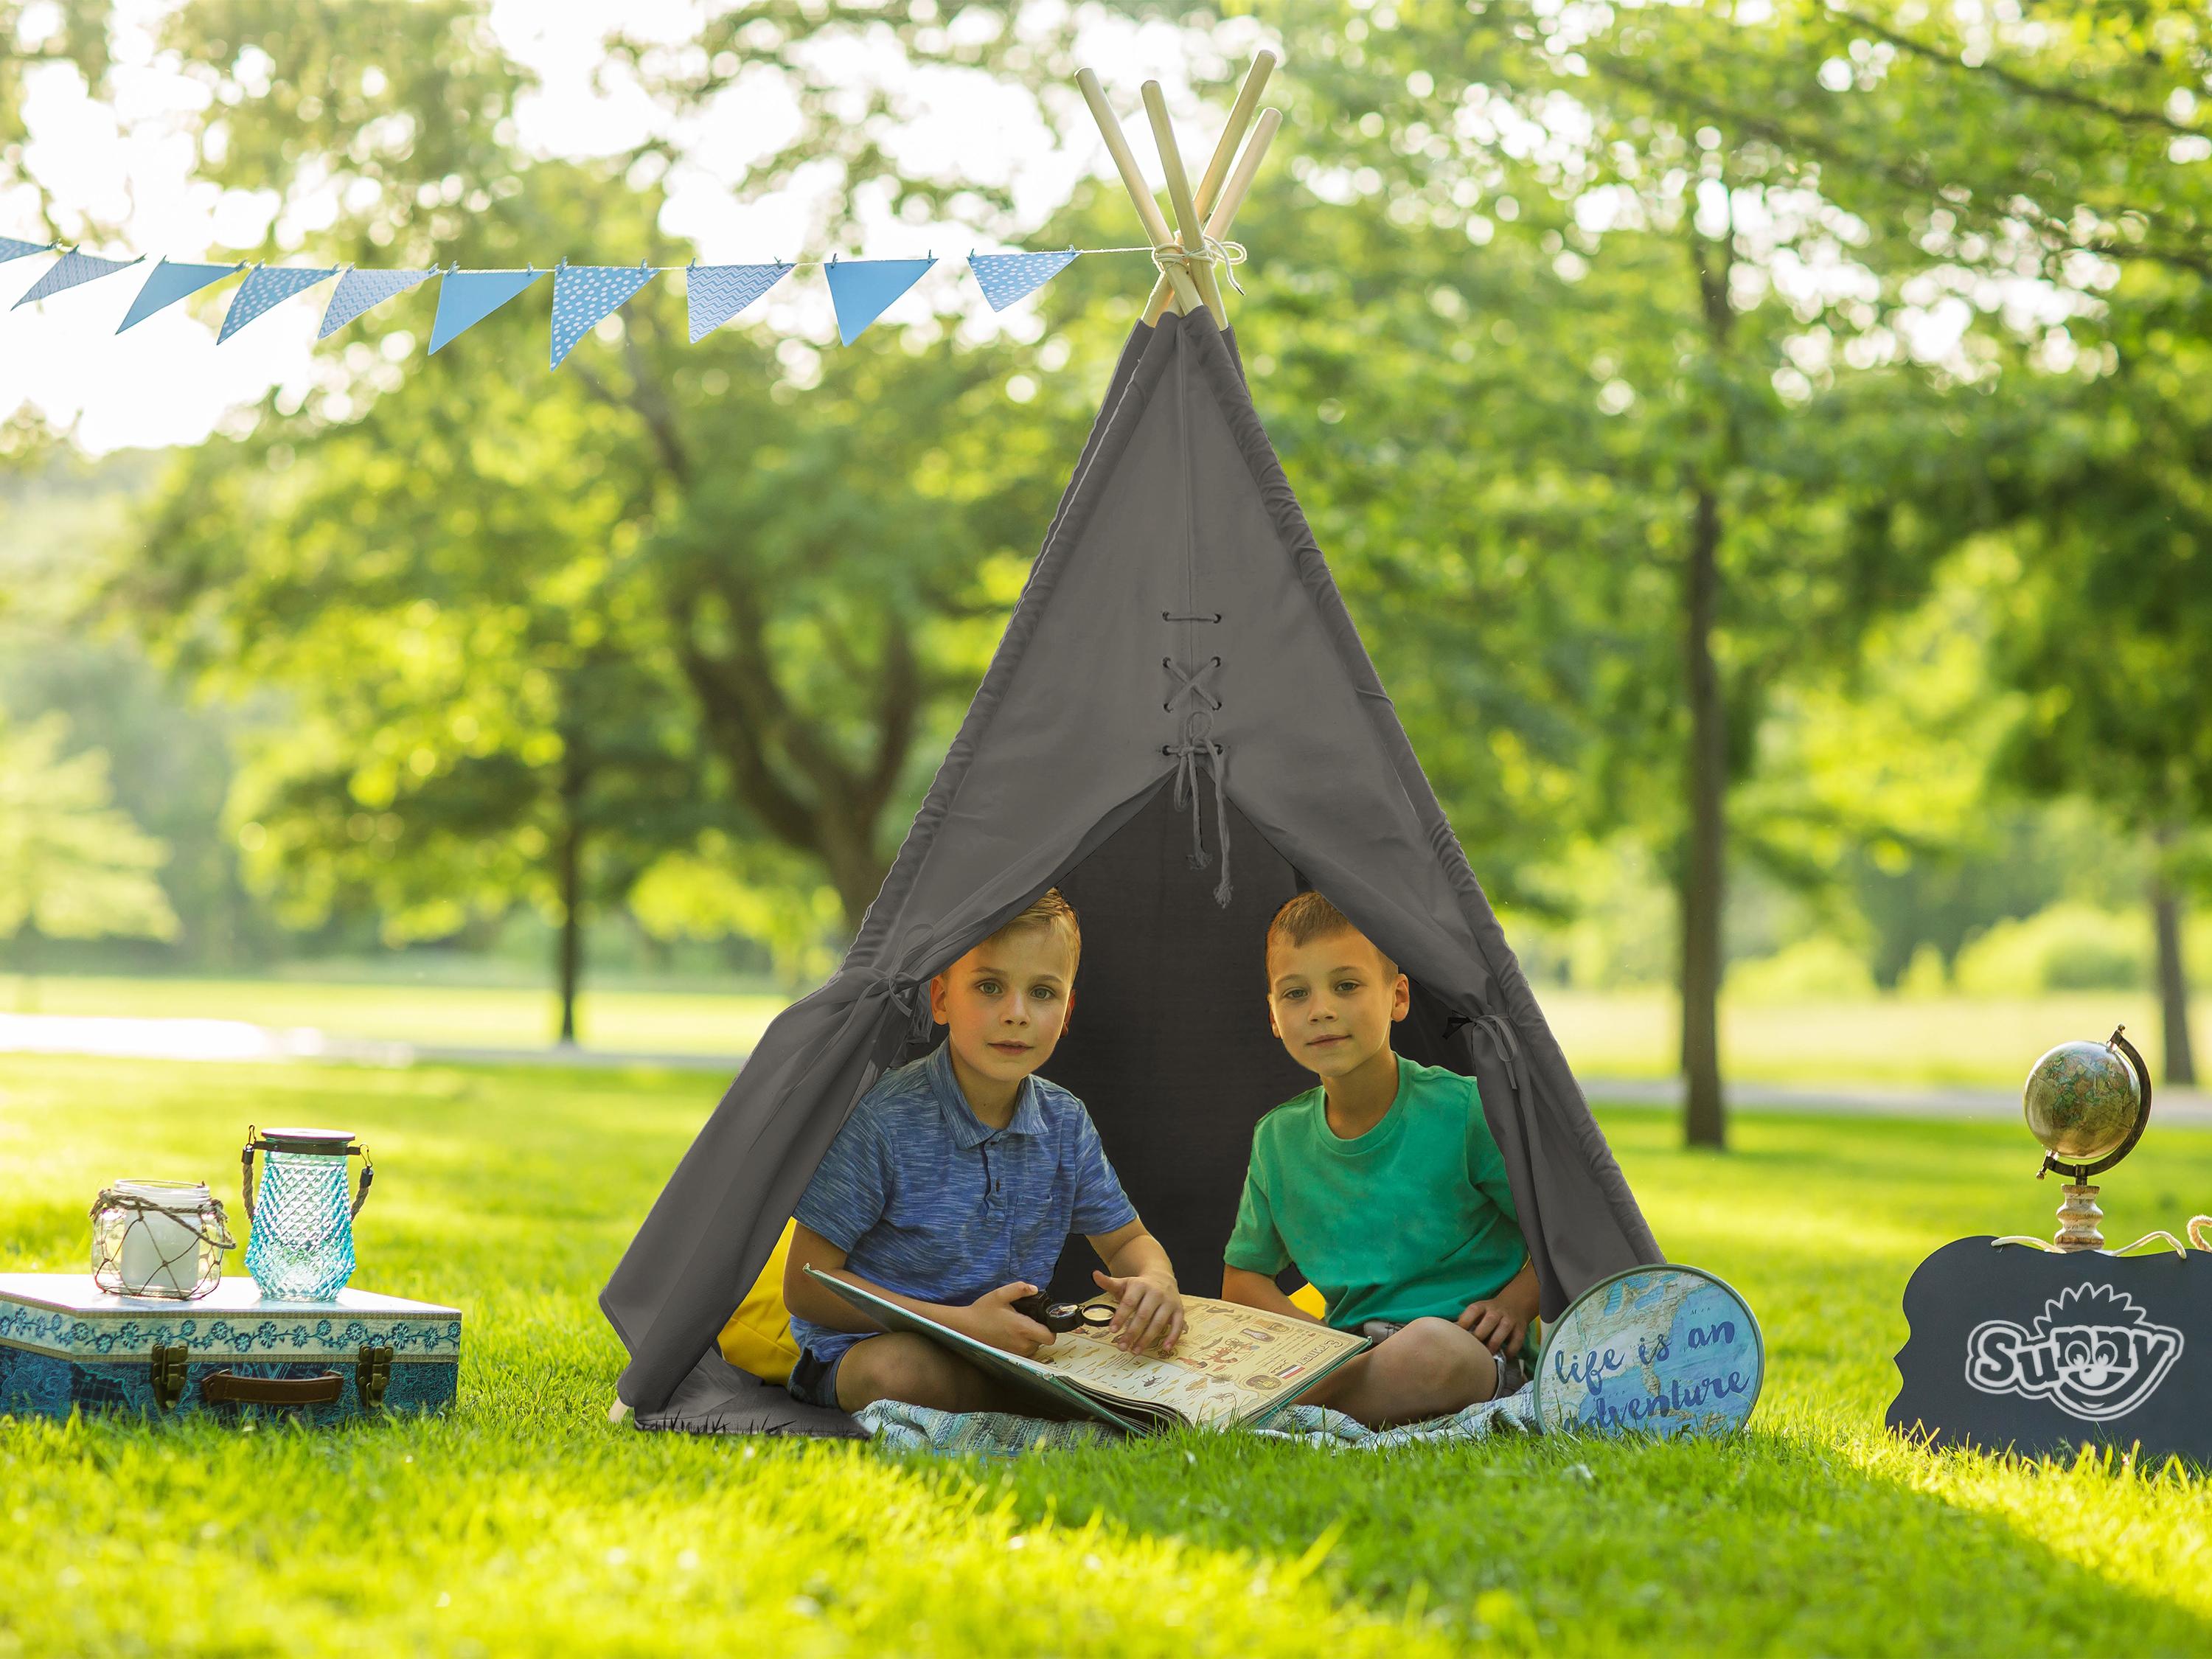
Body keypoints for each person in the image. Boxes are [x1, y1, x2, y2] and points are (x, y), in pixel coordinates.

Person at [780, 889, 1185, 1414]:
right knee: (897, 1372)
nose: (1016, 1014)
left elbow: (1129, 1240)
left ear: (1067, 1012)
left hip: (1006, 1350)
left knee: (1156, 1345)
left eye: (1042, 993)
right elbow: (805, 1286)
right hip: (872, 1348)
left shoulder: (1065, 1122)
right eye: (990, 987)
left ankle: (1049, 1396)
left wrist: (1158, 1280)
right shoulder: (884, 1121)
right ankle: (1048, 1404)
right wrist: (964, 1326)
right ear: (942, 999)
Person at [1220, 891, 1539, 1426]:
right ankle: (1317, 1396)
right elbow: (1242, 1280)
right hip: (1344, 1353)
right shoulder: (1277, 1139)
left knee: (1431, 1350)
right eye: (1295, 994)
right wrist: (1316, 1341)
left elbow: (1556, 1232)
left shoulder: (1464, 1111)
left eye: (1346, 986)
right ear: (1273, 1016)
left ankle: (1287, 1410)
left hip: (1468, 1352)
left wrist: (1515, 1305)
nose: (1320, 1010)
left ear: (1397, 997)